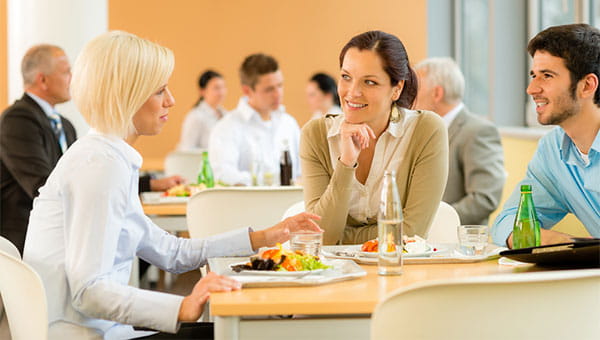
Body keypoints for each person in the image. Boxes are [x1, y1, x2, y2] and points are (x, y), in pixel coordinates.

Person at [23, 31, 321, 339]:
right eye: (159, 91)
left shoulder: (105, 157)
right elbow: (89, 291)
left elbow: (171, 252)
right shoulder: (101, 165)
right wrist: (182, 308)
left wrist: (265, 236)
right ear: (127, 95)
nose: (171, 101)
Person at [301, 30, 449, 245]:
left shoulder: (426, 130)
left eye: (369, 82)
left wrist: (343, 237)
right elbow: (321, 237)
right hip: (336, 274)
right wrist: (346, 163)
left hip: (401, 270)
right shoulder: (315, 135)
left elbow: (411, 232)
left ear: (396, 89)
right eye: (346, 77)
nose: (352, 92)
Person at [491, 23, 600, 247]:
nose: (532, 89)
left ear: (587, 85)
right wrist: (554, 240)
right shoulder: (552, 151)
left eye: (547, 76)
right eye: (534, 75)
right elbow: (507, 223)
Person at [0, 44, 77, 255]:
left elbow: (77, 176)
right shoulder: (17, 119)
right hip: (25, 240)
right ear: (43, 80)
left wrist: (146, 183)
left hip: (57, 233)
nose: (72, 78)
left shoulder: (66, 125)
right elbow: (42, 185)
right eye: (66, 71)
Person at [414, 57, 506, 225]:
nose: (410, 97)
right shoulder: (423, 130)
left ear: (437, 93)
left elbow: (484, 198)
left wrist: (433, 222)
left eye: (416, 89)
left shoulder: (478, 131)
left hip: (459, 242)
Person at [209, 53, 301, 186]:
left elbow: (303, 173)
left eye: (280, 85)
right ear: (247, 91)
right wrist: (273, 181)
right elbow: (224, 176)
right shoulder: (226, 127)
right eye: (269, 89)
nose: (278, 94)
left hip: (289, 204)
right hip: (247, 204)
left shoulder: (289, 124)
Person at [177, 70, 227, 151]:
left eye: (223, 87)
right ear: (202, 91)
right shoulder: (195, 117)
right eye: (216, 88)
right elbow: (186, 149)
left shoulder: (226, 115)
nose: (221, 92)